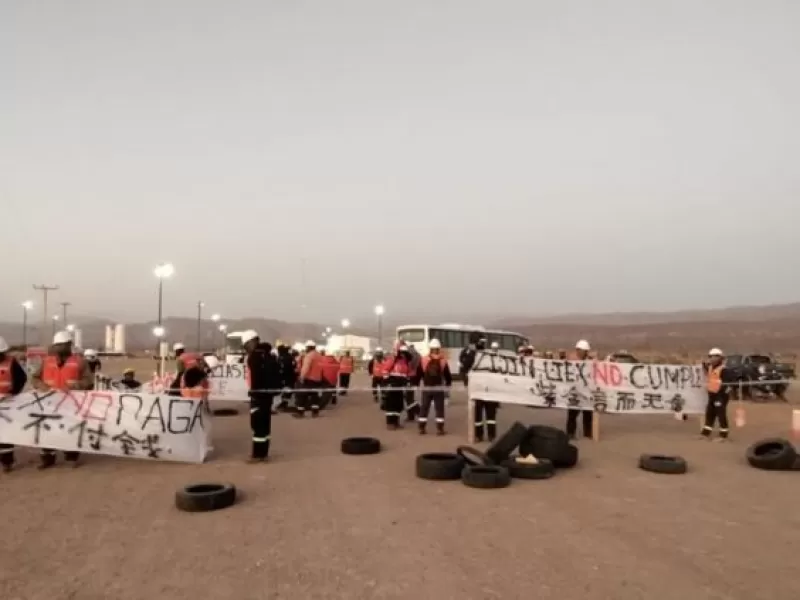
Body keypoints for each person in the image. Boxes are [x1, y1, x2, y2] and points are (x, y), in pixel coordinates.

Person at [32, 331, 94, 469]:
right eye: (57, 345)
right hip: (49, 403)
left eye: (63, 345)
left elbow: (89, 381)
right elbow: (34, 378)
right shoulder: (46, 361)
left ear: (69, 345)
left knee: (70, 429)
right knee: (47, 430)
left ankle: (71, 457)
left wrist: (75, 385)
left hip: (71, 403)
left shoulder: (80, 361)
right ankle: (47, 458)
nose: (59, 348)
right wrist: (41, 385)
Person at [240, 330, 282, 462]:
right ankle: (264, 453)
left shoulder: (255, 357)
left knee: (257, 425)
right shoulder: (269, 354)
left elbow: (256, 378)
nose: (247, 349)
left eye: (246, 345)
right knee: (265, 425)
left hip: (258, 396)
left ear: (252, 342)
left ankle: (257, 455)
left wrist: (253, 392)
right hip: (268, 395)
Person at [0, 337, 28, 473]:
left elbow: (22, 378)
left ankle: (6, 462)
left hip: (7, 404)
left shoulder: (11, 363)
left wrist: (13, 392)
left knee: (5, 435)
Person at [416, 338, 452, 435]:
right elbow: (447, 375)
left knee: (424, 408)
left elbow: (418, 373)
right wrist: (448, 385)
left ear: (430, 348)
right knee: (439, 409)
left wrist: (416, 384)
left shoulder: (424, 359)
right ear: (439, 348)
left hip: (427, 387)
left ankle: (421, 428)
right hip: (438, 388)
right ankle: (440, 429)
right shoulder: (443, 360)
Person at [701, 348, 735, 441]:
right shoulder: (711, 368)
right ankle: (705, 433)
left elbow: (729, 384)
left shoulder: (724, 370)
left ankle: (723, 435)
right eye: (711, 357)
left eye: (715, 357)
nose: (712, 359)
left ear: (720, 358)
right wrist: (703, 364)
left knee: (721, 414)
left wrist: (723, 395)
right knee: (710, 413)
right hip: (712, 394)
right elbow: (706, 370)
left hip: (720, 396)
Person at [565, 339, 593, 440]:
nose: (583, 353)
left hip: (587, 392)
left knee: (588, 415)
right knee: (572, 414)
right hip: (575, 392)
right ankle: (570, 433)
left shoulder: (589, 361)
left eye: (584, 351)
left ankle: (588, 433)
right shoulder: (572, 360)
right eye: (581, 350)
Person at [381, 343, 414, 429]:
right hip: (392, 385)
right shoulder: (393, 359)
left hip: (400, 386)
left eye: (405, 352)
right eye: (402, 352)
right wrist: (388, 382)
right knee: (391, 405)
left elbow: (408, 373)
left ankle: (396, 422)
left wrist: (408, 382)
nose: (403, 354)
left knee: (398, 405)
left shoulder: (406, 361)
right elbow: (385, 370)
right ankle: (390, 423)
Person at [473, 341, 500, 442]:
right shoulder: (492, 359)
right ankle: (491, 436)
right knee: (491, 416)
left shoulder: (475, 359)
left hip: (479, 392)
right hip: (490, 392)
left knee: (478, 416)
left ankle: (479, 435)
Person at [296, 340, 324, 418]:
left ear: (308, 347)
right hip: (317, 379)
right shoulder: (319, 356)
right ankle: (315, 413)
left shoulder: (309, 356)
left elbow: (306, 367)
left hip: (309, 379)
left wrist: (302, 377)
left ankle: (300, 413)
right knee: (314, 396)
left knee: (302, 396)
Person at [276, 344, 296, 412]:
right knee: (287, 390)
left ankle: (284, 403)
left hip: (286, 376)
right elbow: (293, 365)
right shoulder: (290, 356)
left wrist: (280, 375)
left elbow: (282, 367)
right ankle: (284, 403)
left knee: (286, 390)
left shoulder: (282, 357)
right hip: (290, 376)